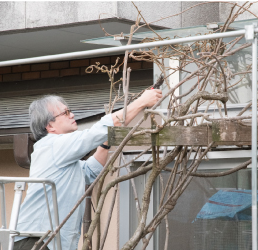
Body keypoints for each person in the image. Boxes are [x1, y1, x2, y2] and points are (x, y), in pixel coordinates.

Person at [13, 89, 162, 250]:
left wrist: (105, 143)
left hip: (45, 240)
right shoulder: (53, 145)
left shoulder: (60, 154)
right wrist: (142, 102)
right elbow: (96, 132)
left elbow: (91, 171)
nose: (72, 115)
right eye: (65, 112)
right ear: (50, 126)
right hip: (35, 240)